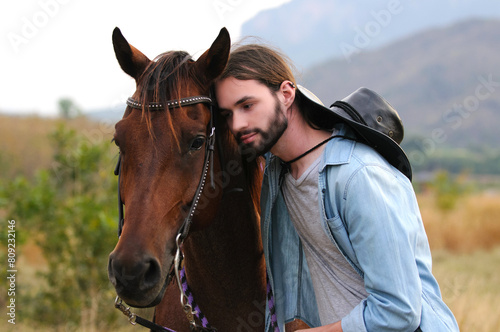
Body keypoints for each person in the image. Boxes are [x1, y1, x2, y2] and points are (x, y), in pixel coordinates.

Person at [214, 43, 459, 332]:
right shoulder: (280, 173)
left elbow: (399, 311)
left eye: (247, 105)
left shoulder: (359, 176)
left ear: (286, 94)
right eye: (228, 114)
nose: (238, 124)